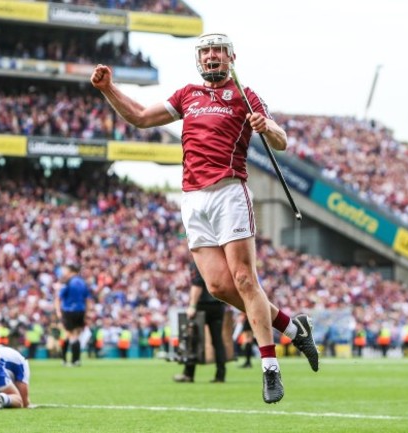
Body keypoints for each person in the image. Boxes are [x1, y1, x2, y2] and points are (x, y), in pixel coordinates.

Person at [91, 32, 319, 404]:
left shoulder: (245, 95)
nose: (212, 56)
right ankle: (294, 328)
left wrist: (266, 126)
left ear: (230, 58)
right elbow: (141, 117)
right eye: (206, 51)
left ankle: (270, 368)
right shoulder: (187, 95)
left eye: (218, 51)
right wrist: (108, 89)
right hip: (193, 199)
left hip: (229, 191)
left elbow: (282, 141)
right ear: (200, 59)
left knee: (245, 279)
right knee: (218, 288)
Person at [173, 262, 227, 383]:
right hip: (218, 305)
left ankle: (189, 373)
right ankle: (220, 374)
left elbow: (197, 284)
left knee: (193, 339)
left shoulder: (198, 262)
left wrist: (192, 305)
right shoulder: (219, 262)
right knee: (217, 340)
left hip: (202, 305)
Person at [55, 264, 94, 366]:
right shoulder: (83, 283)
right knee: (76, 334)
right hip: (80, 311)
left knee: (69, 334)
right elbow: (88, 299)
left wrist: (58, 312)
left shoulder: (67, 282)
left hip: (68, 311)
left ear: (71, 271)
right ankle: (75, 360)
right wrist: (88, 313)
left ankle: (65, 359)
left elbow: (58, 298)